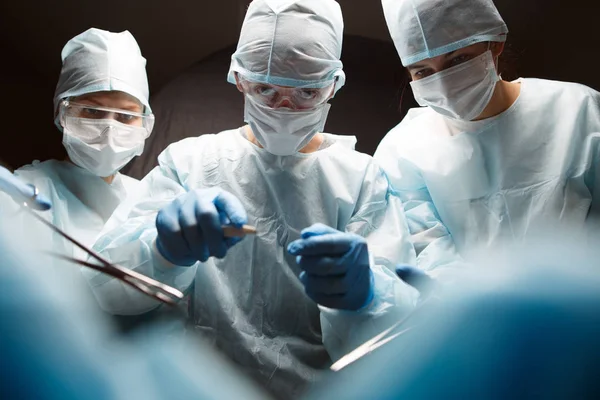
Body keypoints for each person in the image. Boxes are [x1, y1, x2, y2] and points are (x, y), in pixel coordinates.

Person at [83, 0, 417, 398]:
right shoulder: (188, 163)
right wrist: (161, 250)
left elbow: (404, 340)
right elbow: (103, 289)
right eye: (266, 90)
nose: (284, 109)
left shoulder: (362, 180)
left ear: (334, 84)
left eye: (307, 92)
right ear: (238, 78)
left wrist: (368, 296)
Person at [374, 0, 600, 273]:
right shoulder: (402, 150)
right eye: (423, 71)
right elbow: (429, 255)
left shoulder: (578, 109)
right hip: (470, 313)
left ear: (495, 43)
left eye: (458, 59)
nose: (444, 85)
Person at [6, 28, 154, 313]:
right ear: (62, 112)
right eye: (93, 112)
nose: (110, 128)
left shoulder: (149, 200)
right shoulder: (22, 194)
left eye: (126, 116)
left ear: (145, 124)